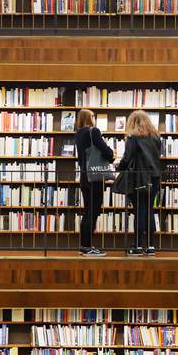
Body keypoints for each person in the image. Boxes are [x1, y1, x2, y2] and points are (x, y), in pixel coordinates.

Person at [116, 110, 162, 256]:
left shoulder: (133, 138)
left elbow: (127, 158)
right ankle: (150, 246)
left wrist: (119, 167)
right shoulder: (156, 137)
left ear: (132, 123)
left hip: (139, 178)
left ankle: (136, 246)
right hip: (154, 178)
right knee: (149, 209)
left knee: (139, 211)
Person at [74, 108, 114, 257]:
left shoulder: (78, 134)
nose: (94, 118)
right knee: (94, 211)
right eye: (93, 116)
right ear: (89, 118)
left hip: (85, 176)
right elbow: (105, 150)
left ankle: (84, 246)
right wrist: (112, 155)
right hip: (95, 176)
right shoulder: (94, 131)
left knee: (88, 211)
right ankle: (87, 246)